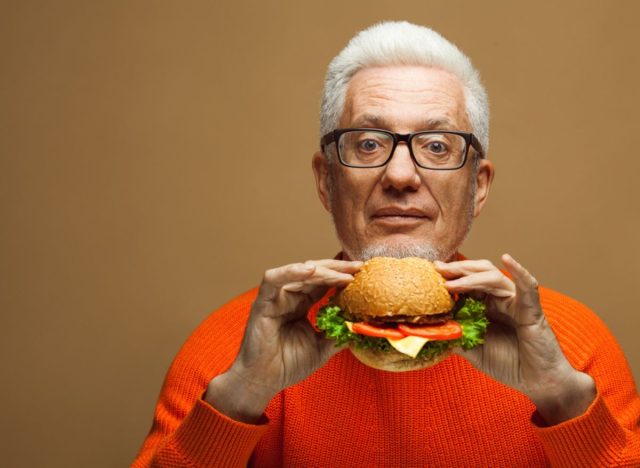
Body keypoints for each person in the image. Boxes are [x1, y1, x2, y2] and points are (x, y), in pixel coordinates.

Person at [133, 21, 640, 467]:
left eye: (437, 146)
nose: (400, 175)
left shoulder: (573, 349)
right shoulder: (229, 353)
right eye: (369, 144)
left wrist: (564, 402)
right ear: (325, 180)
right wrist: (240, 399)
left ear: (478, 186)